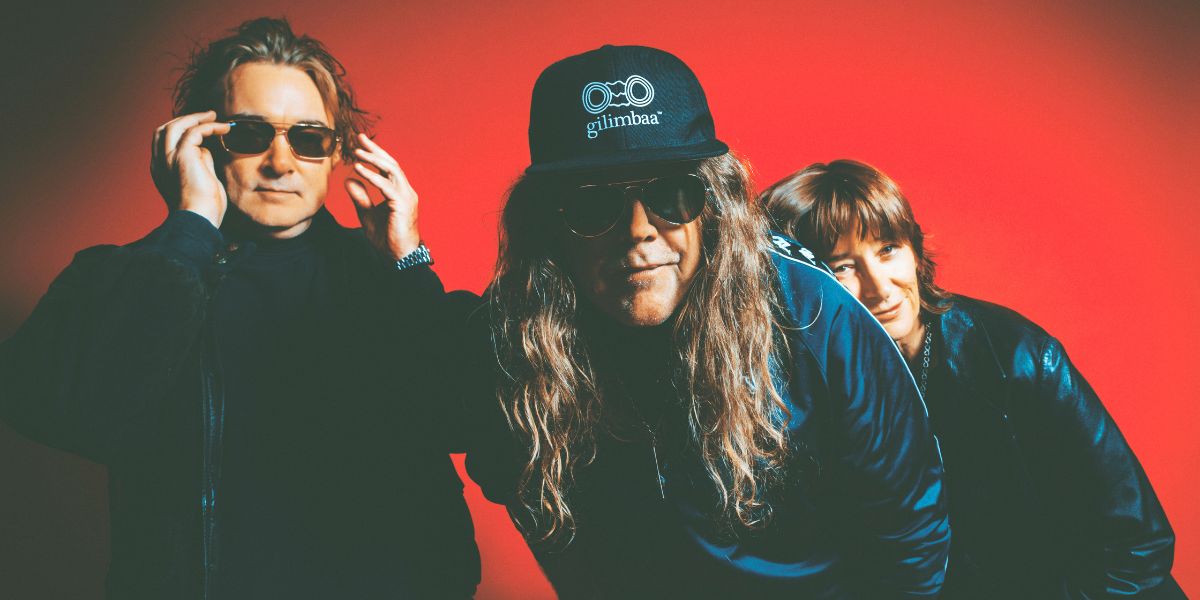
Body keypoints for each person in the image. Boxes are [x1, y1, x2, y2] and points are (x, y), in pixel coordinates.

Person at [0, 18, 478, 598]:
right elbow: (61, 411)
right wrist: (190, 228)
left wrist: (409, 261)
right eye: (250, 134)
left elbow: (467, 419)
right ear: (199, 143)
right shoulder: (127, 279)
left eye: (308, 139)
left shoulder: (389, 283)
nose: (281, 162)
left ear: (336, 154)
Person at [458, 45, 950, 598]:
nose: (638, 230)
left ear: (714, 203)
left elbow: (910, 530)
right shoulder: (515, 340)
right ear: (548, 225)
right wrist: (406, 264)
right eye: (593, 205)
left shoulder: (815, 317)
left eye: (671, 194)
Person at [760, 159, 1182, 599]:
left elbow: (1139, 546)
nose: (880, 287)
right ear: (798, 285)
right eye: (842, 266)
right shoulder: (797, 392)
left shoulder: (1017, 358)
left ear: (914, 249)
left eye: (888, 249)